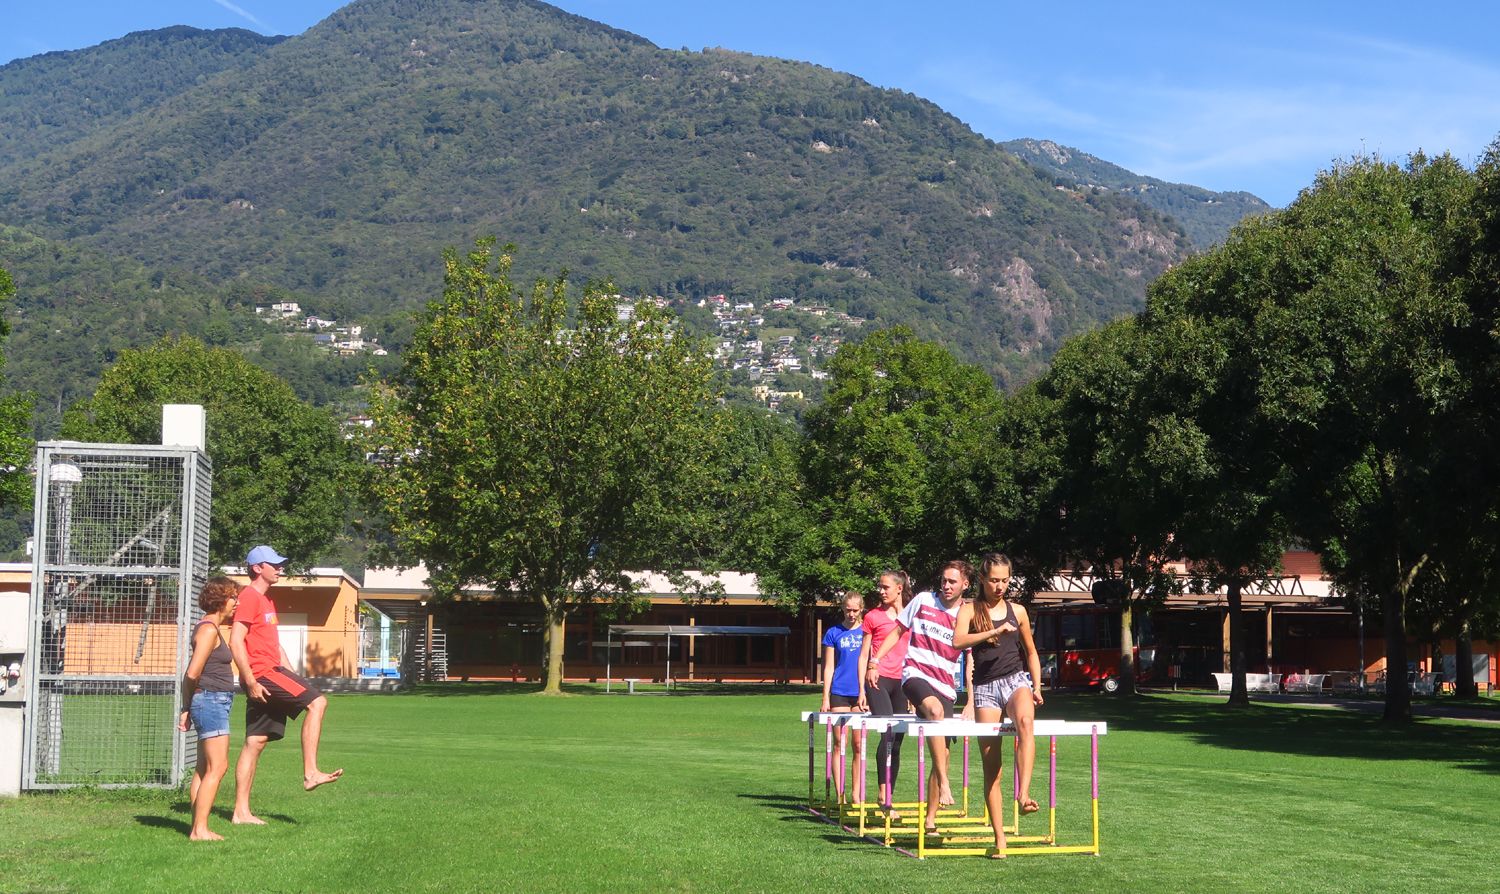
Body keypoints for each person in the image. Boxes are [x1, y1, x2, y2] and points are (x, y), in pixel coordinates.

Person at [230, 545, 343, 825]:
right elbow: (235, 640)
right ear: (258, 568)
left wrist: (294, 675)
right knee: (318, 703)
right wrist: (250, 680)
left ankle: (240, 813)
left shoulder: (267, 600)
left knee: (255, 742)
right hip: (263, 673)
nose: (280, 568)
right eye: (275, 564)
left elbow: (275, 645)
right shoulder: (249, 597)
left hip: (273, 670)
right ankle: (310, 773)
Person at [871, 559, 973, 837]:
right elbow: (897, 631)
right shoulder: (923, 600)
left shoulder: (967, 614)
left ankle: (930, 821)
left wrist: (971, 699)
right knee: (935, 712)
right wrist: (875, 660)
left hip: (946, 685)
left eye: (952, 581)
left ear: (965, 584)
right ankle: (945, 783)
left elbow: (972, 660)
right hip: (915, 676)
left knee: (944, 753)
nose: (946, 585)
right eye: (943, 580)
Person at [953, 552, 1044, 858]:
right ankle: (999, 838)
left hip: (1015, 679)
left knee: (1026, 723)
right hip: (985, 689)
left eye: (1005, 580)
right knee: (992, 767)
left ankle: (1024, 794)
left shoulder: (1018, 611)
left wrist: (1037, 686)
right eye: (994, 580)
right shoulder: (969, 609)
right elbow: (957, 642)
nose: (1000, 586)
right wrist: (994, 631)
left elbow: (1031, 651)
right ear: (982, 579)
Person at [177, 577, 241, 841]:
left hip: (212, 701)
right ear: (220, 600)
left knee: (204, 769)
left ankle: (197, 826)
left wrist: (188, 707)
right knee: (218, 766)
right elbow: (192, 673)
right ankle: (200, 830)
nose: (236, 602)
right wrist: (186, 707)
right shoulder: (208, 630)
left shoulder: (211, 628)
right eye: (233, 597)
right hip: (211, 701)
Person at [856, 570, 912, 815]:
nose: (881, 591)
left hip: (903, 681)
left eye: (885, 587)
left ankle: (889, 794)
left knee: (897, 741)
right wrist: (861, 690)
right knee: (887, 735)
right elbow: (863, 655)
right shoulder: (872, 616)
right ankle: (882, 794)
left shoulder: (911, 615)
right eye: (879, 586)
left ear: (899, 588)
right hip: (878, 679)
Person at [820, 590, 866, 800]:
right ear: (842, 609)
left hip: (861, 693)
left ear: (861, 609)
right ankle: (841, 794)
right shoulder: (833, 633)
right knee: (840, 742)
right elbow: (829, 667)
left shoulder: (866, 632)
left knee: (859, 744)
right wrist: (825, 697)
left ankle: (856, 793)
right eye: (848, 610)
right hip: (839, 691)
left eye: (855, 610)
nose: (851, 614)